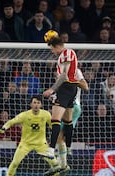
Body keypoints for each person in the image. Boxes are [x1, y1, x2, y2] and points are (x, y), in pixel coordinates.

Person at [0, 96, 61, 176]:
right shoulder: (25, 115)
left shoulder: (46, 114)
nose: (36, 105)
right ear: (30, 104)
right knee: (15, 163)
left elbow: (53, 127)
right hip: (26, 143)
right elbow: (12, 121)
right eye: (34, 103)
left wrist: (58, 137)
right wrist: (4, 128)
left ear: (41, 104)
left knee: (55, 164)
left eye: (38, 103)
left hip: (41, 144)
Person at [42, 36, 79, 165]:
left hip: (66, 87)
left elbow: (64, 75)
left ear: (57, 46)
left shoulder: (66, 53)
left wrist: (52, 89)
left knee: (55, 119)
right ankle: (68, 147)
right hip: (71, 88)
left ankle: (51, 150)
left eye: (52, 49)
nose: (53, 52)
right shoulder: (66, 54)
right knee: (68, 121)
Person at [52, 68, 89, 176]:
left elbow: (85, 86)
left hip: (73, 107)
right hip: (67, 106)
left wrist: (71, 80)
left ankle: (63, 163)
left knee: (59, 137)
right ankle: (64, 164)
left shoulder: (75, 71)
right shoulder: (60, 71)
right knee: (59, 138)